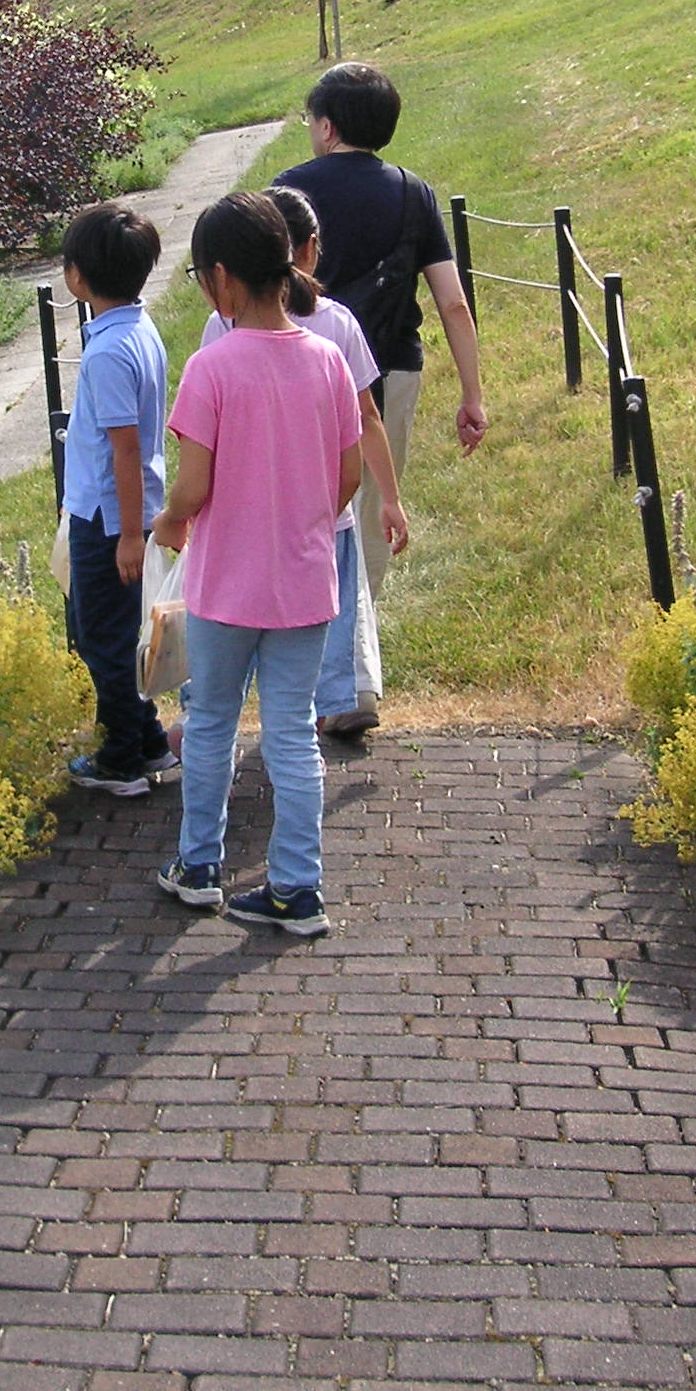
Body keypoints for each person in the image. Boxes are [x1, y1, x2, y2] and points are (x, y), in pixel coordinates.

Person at [153, 193, 363, 937]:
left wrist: (171, 519)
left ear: (220, 279)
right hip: (305, 581)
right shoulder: (328, 359)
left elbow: (194, 484)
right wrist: (301, 516)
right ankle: (297, 887)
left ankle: (199, 866)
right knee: (292, 732)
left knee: (209, 721)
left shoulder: (211, 368)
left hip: (225, 586)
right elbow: (349, 476)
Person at [274, 62, 488, 617]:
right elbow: (453, 302)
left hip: (301, 368)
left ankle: (309, 631)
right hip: (391, 368)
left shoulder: (288, 194)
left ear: (326, 127)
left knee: (306, 504)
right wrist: (473, 395)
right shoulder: (413, 192)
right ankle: (358, 655)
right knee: (373, 514)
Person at [198, 185, 410, 741]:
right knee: (324, 621)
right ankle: (330, 707)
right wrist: (385, 498)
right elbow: (368, 420)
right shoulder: (336, 326)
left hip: (245, 524)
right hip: (324, 520)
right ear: (307, 251)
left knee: (236, 626)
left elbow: (205, 440)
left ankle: (221, 713)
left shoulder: (222, 328)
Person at [57, 203, 178, 798]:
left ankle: (121, 758)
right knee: (115, 631)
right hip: (126, 511)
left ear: (77, 276)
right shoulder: (139, 330)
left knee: (98, 634)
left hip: (108, 518)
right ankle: (150, 740)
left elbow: (123, 448)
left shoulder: (106, 352)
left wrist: (129, 534)